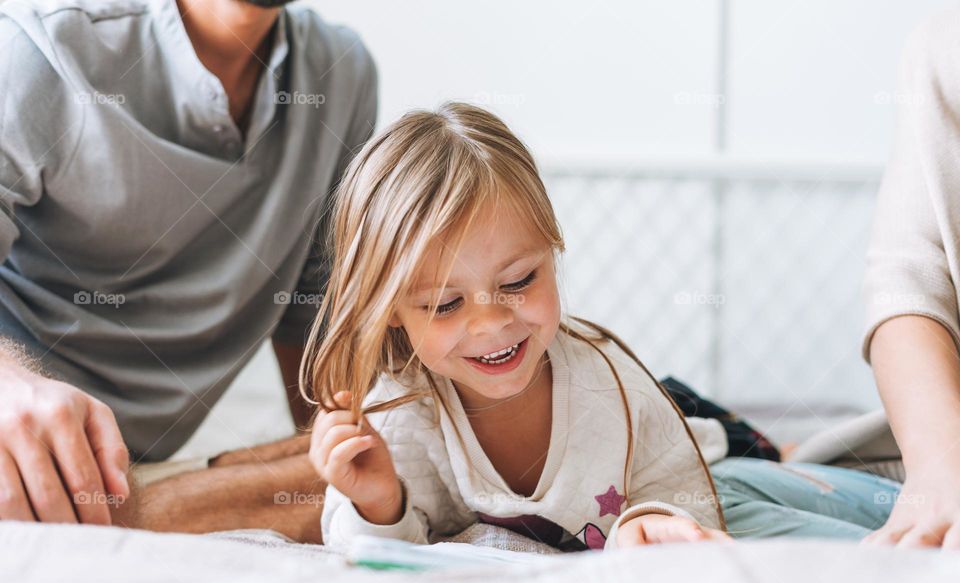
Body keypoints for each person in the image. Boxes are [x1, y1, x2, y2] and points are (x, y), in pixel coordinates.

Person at [305, 103, 900, 551]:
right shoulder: (397, 419)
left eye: (518, 282)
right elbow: (382, 565)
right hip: (723, 464)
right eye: (443, 305)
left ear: (553, 252)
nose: (490, 322)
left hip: (715, 459)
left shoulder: (607, 381)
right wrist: (380, 504)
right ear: (393, 316)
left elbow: (685, 497)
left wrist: (651, 523)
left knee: (887, 525)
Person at [0, 0, 375, 541]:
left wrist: (331, 452)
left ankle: (133, 510)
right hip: (21, 436)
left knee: (399, 459)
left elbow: (312, 302)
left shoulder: (341, 73)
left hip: (138, 469)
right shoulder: (39, 50)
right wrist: (12, 385)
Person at [862, 12, 960, 549]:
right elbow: (908, 282)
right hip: (936, 457)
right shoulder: (945, 48)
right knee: (727, 488)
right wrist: (941, 469)